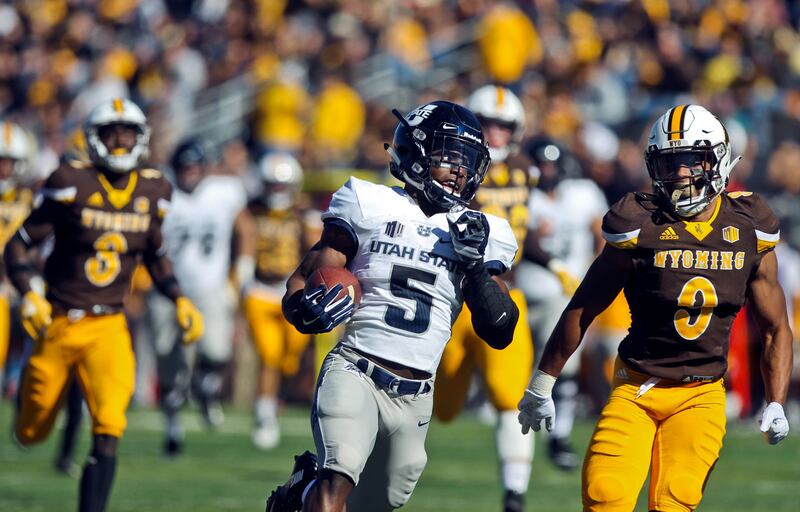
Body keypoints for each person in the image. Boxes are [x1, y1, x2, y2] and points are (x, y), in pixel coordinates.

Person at [518, 104, 793, 512]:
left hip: (701, 393)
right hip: (636, 387)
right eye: (671, 163)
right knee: (605, 494)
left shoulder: (749, 225)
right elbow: (584, 306)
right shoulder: (640, 222)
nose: (681, 173)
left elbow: (774, 327)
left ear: (717, 159)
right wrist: (543, 382)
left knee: (674, 499)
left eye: (691, 161)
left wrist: (775, 400)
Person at [266, 100, 520, 512]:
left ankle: (298, 494)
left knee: (379, 502)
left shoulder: (483, 231)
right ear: (417, 154)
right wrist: (302, 309)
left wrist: (473, 266)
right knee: (336, 490)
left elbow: (500, 330)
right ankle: (313, 493)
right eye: (449, 157)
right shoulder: (369, 203)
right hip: (357, 370)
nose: (460, 171)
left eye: (468, 162)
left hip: (416, 394)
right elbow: (306, 275)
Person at [4, 98, 204, 512]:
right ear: (94, 138)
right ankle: (27, 399)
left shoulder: (154, 189)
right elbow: (18, 245)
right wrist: (29, 292)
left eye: (126, 133)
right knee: (30, 432)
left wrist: (178, 296)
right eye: (110, 132)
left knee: (110, 424)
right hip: (59, 321)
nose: (119, 141)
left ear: (141, 137)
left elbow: (154, 253)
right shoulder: (70, 182)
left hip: (109, 325)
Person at [433, 85, 534, 512]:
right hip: (450, 295)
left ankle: (515, 493)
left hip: (504, 292)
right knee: (444, 407)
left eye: (502, 125)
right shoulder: (450, 166)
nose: (493, 132)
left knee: (508, 393)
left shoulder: (529, 171)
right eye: (486, 122)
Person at [141, 138, 253, 455]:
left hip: (209, 287)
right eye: (184, 167)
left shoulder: (224, 191)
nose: (189, 173)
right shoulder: (161, 191)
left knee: (217, 351)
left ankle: (206, 388)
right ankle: (172, 424)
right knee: (168, 363)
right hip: (166, 290)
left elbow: (244, 227)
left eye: (194, 166)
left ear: (205, 168)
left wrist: (243, 268)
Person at [515, 135, 608, 470]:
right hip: (524, 294)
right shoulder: (522, 197)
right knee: (522, 369)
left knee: (563, 368)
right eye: (542, 164)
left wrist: (597, 277)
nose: (547, 171)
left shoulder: (582, 193)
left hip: (565, 296)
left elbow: (603, 231)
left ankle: (560, 437)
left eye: (553, 164)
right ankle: (521, 436)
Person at [244, 152, 319, 449]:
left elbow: (314, 249)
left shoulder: (302, 213)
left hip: (290, 291)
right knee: (269, 355)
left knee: (290, 358)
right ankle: (264, 413)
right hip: (260, 289)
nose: (276, 191)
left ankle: (277, 399)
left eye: (281, 185)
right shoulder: (250, 211)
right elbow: (243, 242)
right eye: (271, 185)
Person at [0, 120, 35, 390]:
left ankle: (27, 379)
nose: (3, 168)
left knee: (39, 320)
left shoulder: (30, 196)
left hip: (23, 275)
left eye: (8, 161)